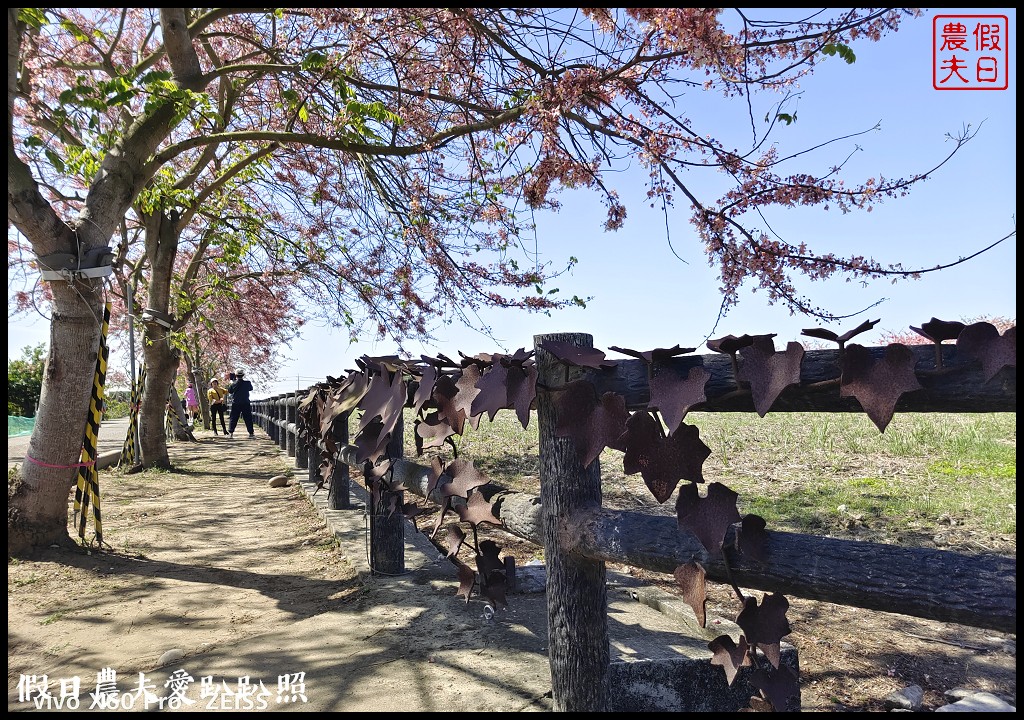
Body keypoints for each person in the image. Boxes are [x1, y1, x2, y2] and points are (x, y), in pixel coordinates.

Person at [227, 369, 255, 439]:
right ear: (243, 375)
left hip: (236, 403)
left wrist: (233, 381)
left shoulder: (233, 384)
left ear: (236, 375)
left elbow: (230, 391)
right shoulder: (247, 383)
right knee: (248, 418)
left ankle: (231, 433)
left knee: (233, 418)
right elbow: (251, 388)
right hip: (245, 402)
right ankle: (251, 433)